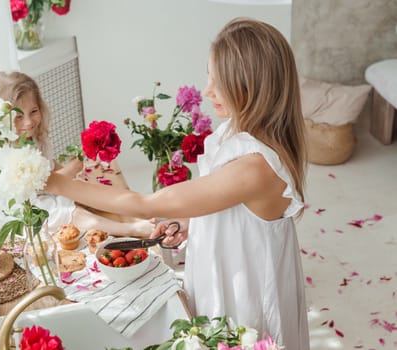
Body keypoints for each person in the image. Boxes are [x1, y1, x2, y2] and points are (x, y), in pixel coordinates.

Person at [44, 18, 310, 349]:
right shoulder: (233, 134)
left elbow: (145, 204)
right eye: (209, 75)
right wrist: (191, 220)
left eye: (218, 81)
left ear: (251, 87)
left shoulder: (255, 168)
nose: (207, 89)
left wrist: (56, 183)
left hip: (246, 291)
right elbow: (229, 209)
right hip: (224, 272)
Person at [0, 71, 154, 237]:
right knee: (72, 213)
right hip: (22, 205)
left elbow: (50, 165)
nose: (28, 122)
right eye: (18, 117)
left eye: (33, 111)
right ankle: (131, 229)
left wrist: (72, 174)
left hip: (45, 189)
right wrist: (75, 166)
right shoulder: (6, 153)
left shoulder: (34, 137)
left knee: (85, 194)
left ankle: (135, 208)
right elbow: (46, 184)